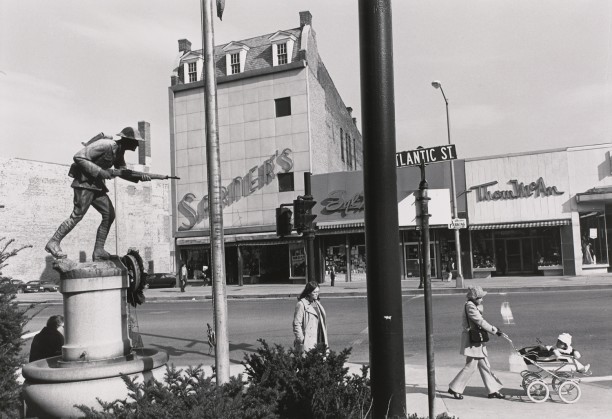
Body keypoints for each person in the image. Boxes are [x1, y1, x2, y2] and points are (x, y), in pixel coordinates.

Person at [45, 127, 150, 261]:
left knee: (109, 214)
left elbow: (122, 171)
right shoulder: (106, 145)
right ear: (127, 140)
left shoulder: (119, 152)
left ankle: (99, 250)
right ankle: (53, 242)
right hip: (84, 184)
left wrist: (141, 177)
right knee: (77, 215)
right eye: (136, 141)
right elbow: (78, 157)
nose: (137, 144)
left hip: (96, 186)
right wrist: (100, 172)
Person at [448, 286, 506, 400]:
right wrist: (494, 330)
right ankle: (455, 388)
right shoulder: (470, 307)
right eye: (480, 297)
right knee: (471, 366)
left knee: (484, 365)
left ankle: (492, 390)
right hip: (472, 340)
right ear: (474, 298)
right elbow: (480, 321)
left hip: (476, 340)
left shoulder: (473, 305)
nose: (482, 300)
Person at [293, 281, 328, 353]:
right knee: (310, 360)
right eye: (314, 292)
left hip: (320, 336)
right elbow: (297, 324)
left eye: (318, 292)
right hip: (309, 339)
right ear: (309, 292)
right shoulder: (301, 304)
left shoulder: (317, 303)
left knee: (320, 360)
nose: (317, 294)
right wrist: (301, 339)